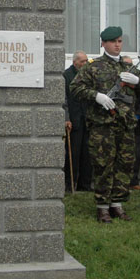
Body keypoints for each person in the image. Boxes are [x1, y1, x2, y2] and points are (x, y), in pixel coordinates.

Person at [70, 26, 140, 223]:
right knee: (103, 165)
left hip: (125, 126)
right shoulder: (92, 66)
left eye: (120, 41)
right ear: (103, 43)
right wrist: (96, 96)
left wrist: (138, 81)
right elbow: (75, 88)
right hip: (102, 126)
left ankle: (117, 204)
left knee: (124, 165)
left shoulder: (128, 67)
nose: (117, 45)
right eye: (113, 41)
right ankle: (102, 207)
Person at [63, 50, 92, 192]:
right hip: (73, 122)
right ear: (75, 63)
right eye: (83, 61)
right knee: (73, 154)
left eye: (87, 61)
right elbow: (64, 100)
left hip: (87, 121)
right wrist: (66, 118)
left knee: (87, 154)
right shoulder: (66, 76)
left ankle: (85, 185)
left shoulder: (88, 76)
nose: (85, 63)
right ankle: (70, 184)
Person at [121, 56, 140, 191]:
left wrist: (137, 115)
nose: (128, 66)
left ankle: (134, 181)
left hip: (134, 121)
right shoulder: (118, 79)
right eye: (126, 64)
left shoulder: (137, 80)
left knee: (135, 151)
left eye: (130, 64)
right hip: (120, 120)